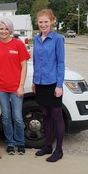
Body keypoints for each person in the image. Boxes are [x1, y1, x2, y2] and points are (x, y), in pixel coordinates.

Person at [0, 19, 30, 155]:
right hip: (1, 87)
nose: (4, 31)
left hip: (16, 87)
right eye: (1, 28)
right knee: (5, 116)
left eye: (6, 29)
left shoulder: (18, 44)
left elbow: (24, 66)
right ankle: (11, 143)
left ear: (10, 30)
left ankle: (20, 142)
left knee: (17, 116)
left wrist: (21, 86)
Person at [32, 9, 65, 163]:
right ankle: (47, 146)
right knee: (45, 114)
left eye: (46, 21)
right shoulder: (36, 39)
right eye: (41, 22)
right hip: (40, 83)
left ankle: (59, 150)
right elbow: (36, 62)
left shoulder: (58, 39)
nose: (43, 24)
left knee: (57, 116)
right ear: (37, 23)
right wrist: (34, 80)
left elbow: (61, 63)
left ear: (52, 21)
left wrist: (59, 85)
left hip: (53, 84)